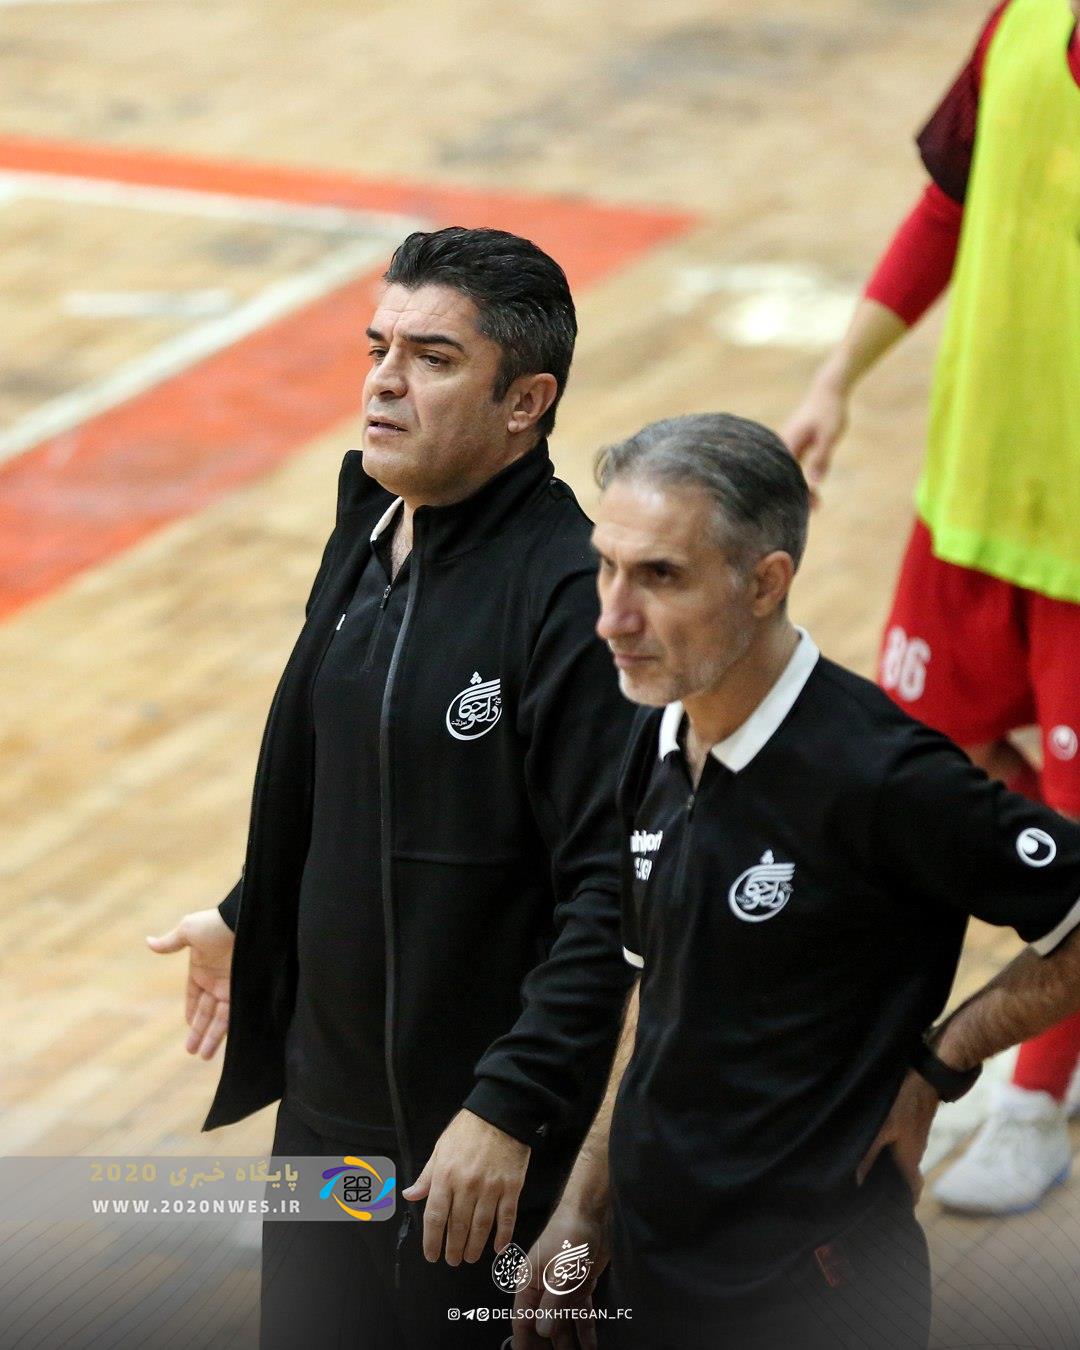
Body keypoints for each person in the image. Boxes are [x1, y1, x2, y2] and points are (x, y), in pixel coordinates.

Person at [147, 226, 635, 1348]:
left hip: (477, 1152)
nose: (383, 380)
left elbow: (613, 894)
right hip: (327, 1134)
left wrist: (510, 1109)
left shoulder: (573, 597)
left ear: (527, 403)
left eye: (433, 358)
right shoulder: (367, 524)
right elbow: (347, 771)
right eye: (379, 348)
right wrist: (250, 908)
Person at [514, 413, 1080, 1350]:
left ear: (766, 581)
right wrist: (584, 1207)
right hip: (649, 1260)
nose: (611, 616)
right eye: (606, 567)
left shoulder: (882, 776)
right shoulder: (655, 733)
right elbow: (660, 999)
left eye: (660, 576)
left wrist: (941, 1064)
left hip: (812, 1290)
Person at [782, 0, 1080, 1214]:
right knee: (925, 777)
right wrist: (836, 377)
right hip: (970, 499)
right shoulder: (1024, 23)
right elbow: (951, 207)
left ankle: (1037, 1098)